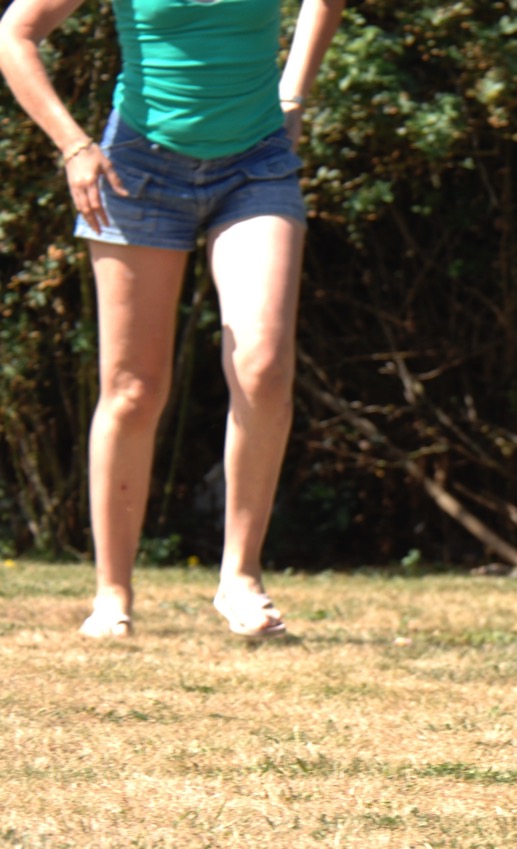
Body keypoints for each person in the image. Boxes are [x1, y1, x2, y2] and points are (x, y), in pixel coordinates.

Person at [0, 0, 346, 638]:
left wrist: (293, 95)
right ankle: (112, 595)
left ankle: (240, 578)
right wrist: (74, 146)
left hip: (256, 165)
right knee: (133, 389)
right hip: (136, 167)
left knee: (263, 364)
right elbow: (15, 33)